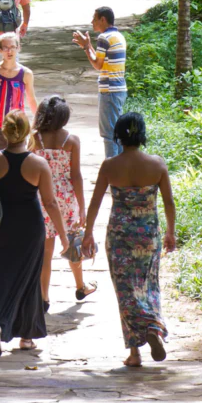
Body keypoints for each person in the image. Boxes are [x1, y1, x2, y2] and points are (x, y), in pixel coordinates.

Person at [0, 110, 69, 357]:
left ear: (5, 132)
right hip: (29, 229)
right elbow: (51, 203)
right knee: (28, 279)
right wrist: (64, 236)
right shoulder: (38, 163)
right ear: (28, 133)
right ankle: (25, 337)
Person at [82, 112, 176, 368]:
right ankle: (153, 328)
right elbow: (168, 201)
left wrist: (88, 233)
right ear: (141, 134)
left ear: (119, 136)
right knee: (149, 284)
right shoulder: (157, 164)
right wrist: (171, 232)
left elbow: (95, 202)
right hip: (148, 236)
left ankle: (135, 353)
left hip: (120, 237)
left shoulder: (110, 166)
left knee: (125, 291)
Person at [31, 95, 96, 310]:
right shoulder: (71, 141)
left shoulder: (35, 139)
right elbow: (75, 176)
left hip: (42, 198)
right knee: (72, 244)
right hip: (66, 199)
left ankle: (43, 297)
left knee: (45, 252)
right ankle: (80, 286)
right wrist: (83, 208)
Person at [72, 6, 127, 158]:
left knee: (109, 135)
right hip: (119, 89)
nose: (92, 22)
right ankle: (121, 172)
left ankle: (111, 174)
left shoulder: (104, 38)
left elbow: (97, 65)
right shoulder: (117, 36)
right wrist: (88, 45)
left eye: (94, 19)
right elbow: (101, 59)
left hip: (109, 90)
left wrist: (85, 47)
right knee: (118, 133)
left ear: (103, 20)